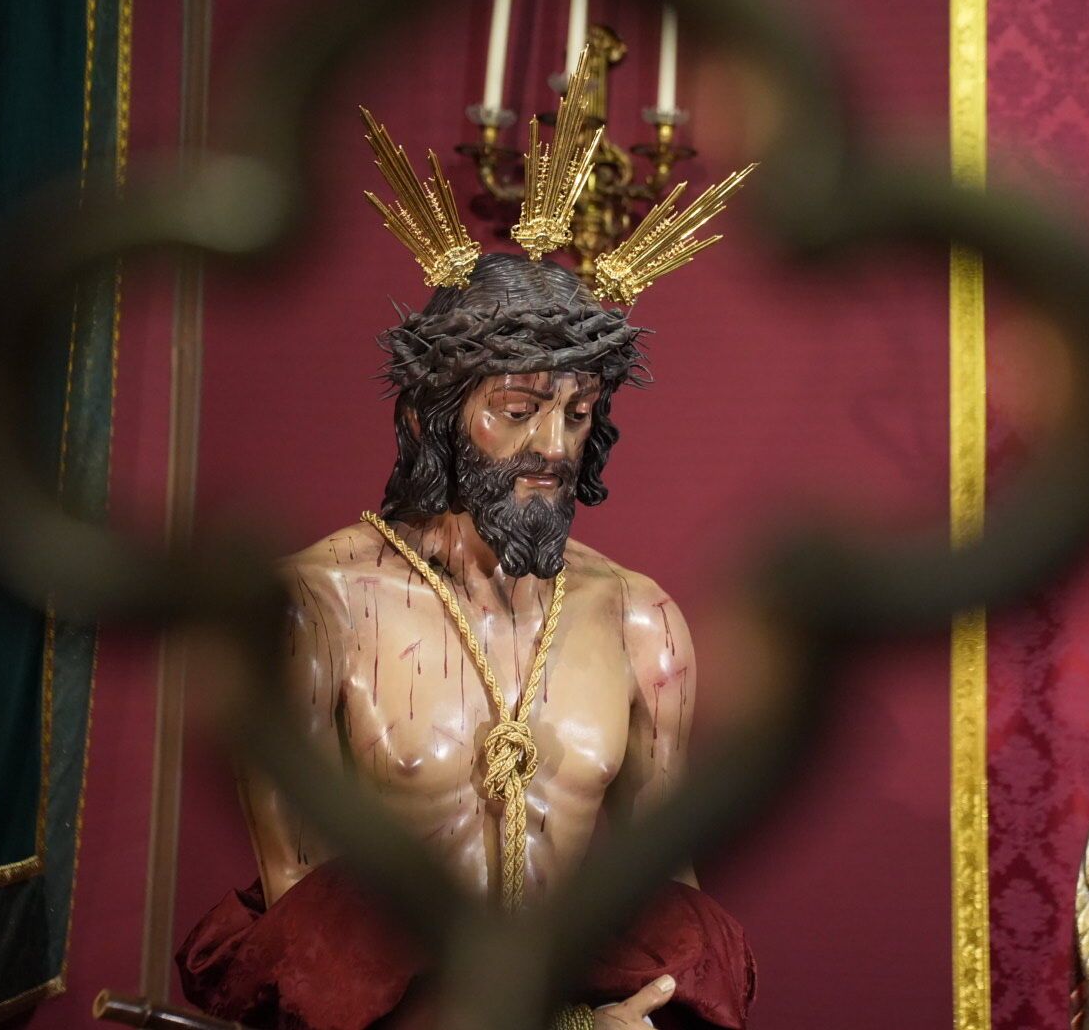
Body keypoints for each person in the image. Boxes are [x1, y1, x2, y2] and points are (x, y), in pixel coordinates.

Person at [177, 254, 756, 1030]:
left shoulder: (639, 621)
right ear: (430, 416)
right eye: (518, 410)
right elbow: (303, 918)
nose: (554, 445)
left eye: (578, 413)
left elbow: (669, 904)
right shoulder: (313, 610)